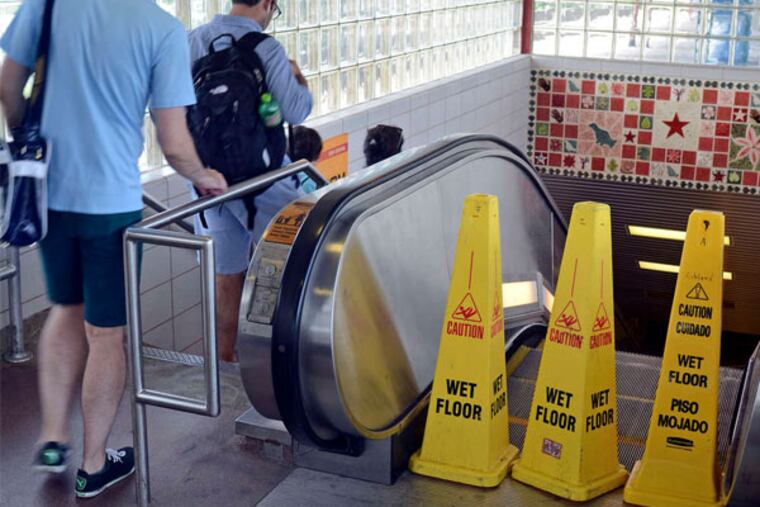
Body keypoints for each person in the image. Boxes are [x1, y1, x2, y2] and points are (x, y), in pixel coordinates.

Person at [0, 0, 227, 499]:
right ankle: (94, 464)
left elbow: (8, 87)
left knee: (65, 308)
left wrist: (27, 139)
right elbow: (173, 141)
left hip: (48, 194)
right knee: (106, 336)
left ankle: (54, 437)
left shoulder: (47, 5)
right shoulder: (161, 29)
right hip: (111, 204)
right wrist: (202, 175)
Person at [188, 0, 312, 363]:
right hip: (262, 182)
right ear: (267, 4)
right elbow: (296, 111)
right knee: (301, 257)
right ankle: (286, 361)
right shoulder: (266, 48)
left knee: (227, 275)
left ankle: (225, 363)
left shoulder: (191, 41)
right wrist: (297, 78)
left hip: (208, 184)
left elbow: (170, 108)